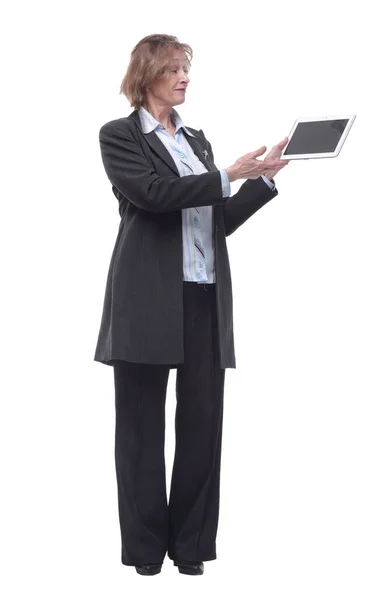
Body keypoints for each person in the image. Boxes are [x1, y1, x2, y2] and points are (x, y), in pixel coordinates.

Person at [94, 34, 289, 576]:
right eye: (174, 69)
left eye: (186, 69)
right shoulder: (120, 135)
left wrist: (261, 182)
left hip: (203, 296)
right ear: (147, 74)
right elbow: (153, 196)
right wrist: (227, 175)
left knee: (203, 424)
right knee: (139, 429)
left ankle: (191, 548)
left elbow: (215, 219)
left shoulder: (196, 141)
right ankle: (144, 552)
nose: (184, 78)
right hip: (146, 301)